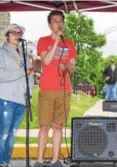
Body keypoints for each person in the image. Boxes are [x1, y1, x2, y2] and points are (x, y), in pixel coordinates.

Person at [34, 10, 77, 167]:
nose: (59, 23)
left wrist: (69, 65)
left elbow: (73, 68)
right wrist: (56, 43)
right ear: (50, 25)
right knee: (44, 125)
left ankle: (55, 160)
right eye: (55, 20)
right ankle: (39, 160)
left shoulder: (70, 43)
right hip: (47, 89)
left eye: (61, 20)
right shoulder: (43, 41)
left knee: (58, 125)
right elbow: (45, 61)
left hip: (64, 89)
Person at [0, 23, 34, 167]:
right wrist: (21, 72)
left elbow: (29, 77)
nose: (17, 35)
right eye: (13, 32)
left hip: (21, 100)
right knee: (3, 134)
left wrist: (29, 95)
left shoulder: (25, 54)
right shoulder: (1, 53)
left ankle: (6, 162)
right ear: (7, 35)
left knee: (12, 134)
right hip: (7, 98)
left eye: (19, 33)